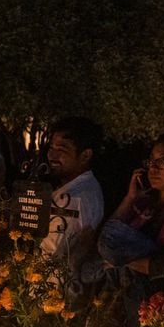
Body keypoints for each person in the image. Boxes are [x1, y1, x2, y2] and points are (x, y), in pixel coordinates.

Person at [99, 123, 164, 327]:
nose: (154, 169)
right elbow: (110, 234)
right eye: (151, 161)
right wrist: (130, 198)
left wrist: (122, 260)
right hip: (123, 296)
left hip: (154, 302)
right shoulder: (145, 202)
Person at [39, 116, 105, 293]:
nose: (52, 155)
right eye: (51, 148)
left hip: (50, 294)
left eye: (62, 149)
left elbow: (54, 257)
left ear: (85, 155)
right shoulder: (80, 188)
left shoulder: (74, 199)